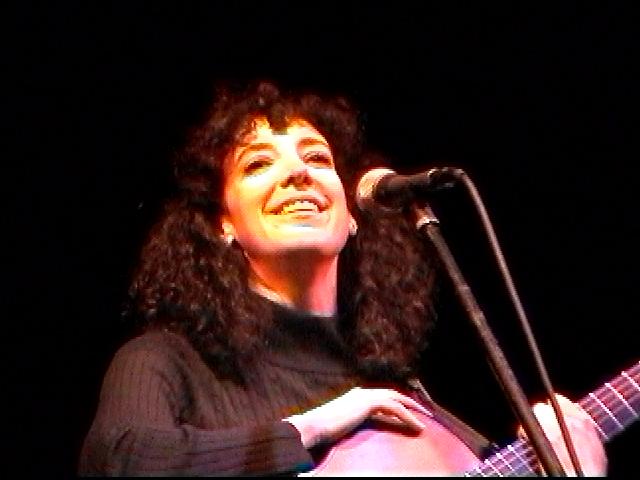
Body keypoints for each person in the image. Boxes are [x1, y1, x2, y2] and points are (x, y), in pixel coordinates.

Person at [78, 80, 607, 476]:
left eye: (317, 157)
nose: (298, 173)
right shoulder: (168, 360)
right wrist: (314, 426)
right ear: (223, 224)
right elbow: (120, 460)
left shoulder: (401, 394)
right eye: (258, 163)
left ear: (352, 216)